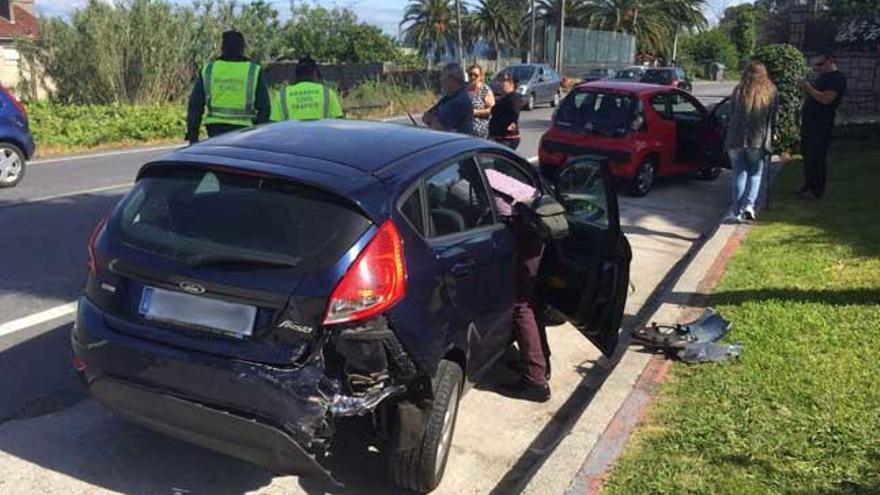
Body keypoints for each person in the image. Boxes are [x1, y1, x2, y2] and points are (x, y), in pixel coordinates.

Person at [482, 168, 551, 403]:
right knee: (531, 301)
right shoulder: (495, 172)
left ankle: (535, 380)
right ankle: (540, 361)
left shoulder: (478, 178)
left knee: (522, 306)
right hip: (538, 236)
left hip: (528, 236)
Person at [186, 30, 270, 145]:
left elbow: (195, 107)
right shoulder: (253, 70)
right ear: (243, 48)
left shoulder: (209, 69)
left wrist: (193, 136)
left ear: (222, 47)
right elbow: (264, 108)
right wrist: (259, 136)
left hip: (215, 129)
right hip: (244, 130)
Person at [723, 60, 778, 223]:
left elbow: (732, 113)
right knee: (755, 174)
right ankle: (749, 206)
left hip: (736, 138)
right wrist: (774, 134)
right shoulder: (771, 91)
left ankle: (736, 211)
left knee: (739, 175)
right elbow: (772, 118)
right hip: (758, 140)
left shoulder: (739, 90)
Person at [797, 51, 847, 199]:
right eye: (816, 65)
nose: (818, 68)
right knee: (807, 155)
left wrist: (808, 88)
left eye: (820, 64)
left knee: (817, 156)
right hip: (810, 122)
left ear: (831, 61)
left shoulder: (838, 78)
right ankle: (808, 185)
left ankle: (817, 189)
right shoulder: (822, 77)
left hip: (822, 124)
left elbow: (826, 99)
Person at [270, 57, 344, 121]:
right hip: (321, 137)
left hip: (290, 137)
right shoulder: (328, 93)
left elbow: (273, 126)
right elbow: (338, 122)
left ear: (296, 75)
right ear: (315, 74)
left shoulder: (281, 96)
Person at [422, 63, 474, 135]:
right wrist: (434, 120)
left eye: (443, 76)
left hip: (458, 143)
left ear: (453, 78)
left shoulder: (460, 100)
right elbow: (425, 117)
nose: (441, 80)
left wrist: (433, 119)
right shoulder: (447, 98)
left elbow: (441, 129)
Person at [488, 72, 522, 149]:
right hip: (499, 137)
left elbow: (515, 111)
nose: (500, 83)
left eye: (502, 80)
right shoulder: (505, 97)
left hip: (507, 139)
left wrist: (513, 122)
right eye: (499, 80)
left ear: (510, 82)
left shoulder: (513, 98)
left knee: (501, 160)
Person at [466, 64, 494, 138]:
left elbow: (492, 109)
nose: (472, 77)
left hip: (480, 130)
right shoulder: (464, 89)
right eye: (470, 74)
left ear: (480, 77)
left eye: (475, 75)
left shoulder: (485, 90)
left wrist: (476, 112)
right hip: (465, 130)